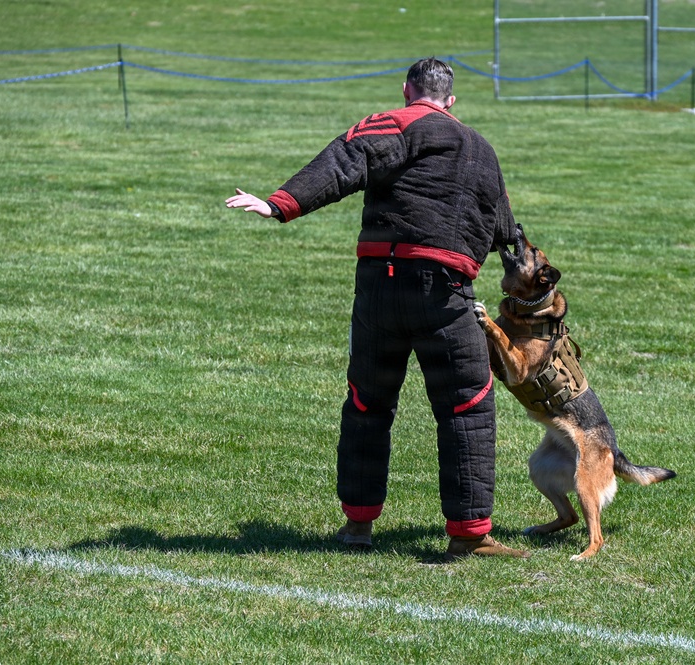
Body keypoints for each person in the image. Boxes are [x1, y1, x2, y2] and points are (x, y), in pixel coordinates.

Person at [225, 58, 528, 560]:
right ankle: (469, 533)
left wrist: (280, 203)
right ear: (451, 101)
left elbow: (344, 162)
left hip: (380, 291)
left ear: (408, 91)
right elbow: (503, 231)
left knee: (368, 405)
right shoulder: (481, 150)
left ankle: (357, 527)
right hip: (446, 297)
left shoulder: (396, 122)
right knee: (467, 409)